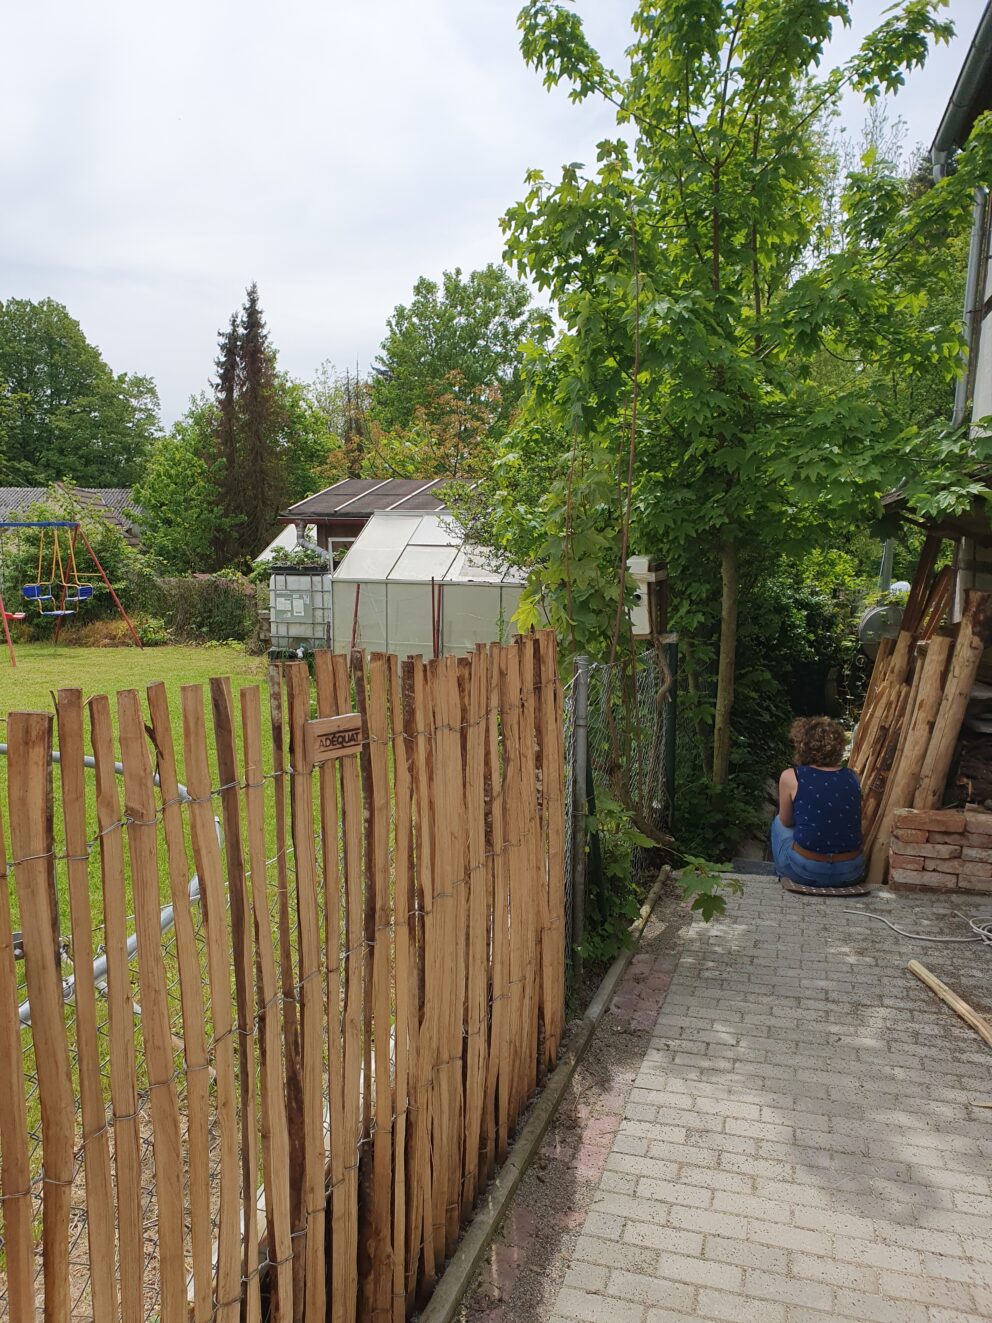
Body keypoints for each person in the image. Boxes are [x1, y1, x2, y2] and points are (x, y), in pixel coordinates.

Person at [770, 716, 865, 888]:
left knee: (778, 823)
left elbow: (786, 821)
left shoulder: (791, 776)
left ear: (801, 745)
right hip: (851, 871)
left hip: (807, 871)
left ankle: (782, 872)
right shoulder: (853, 777)